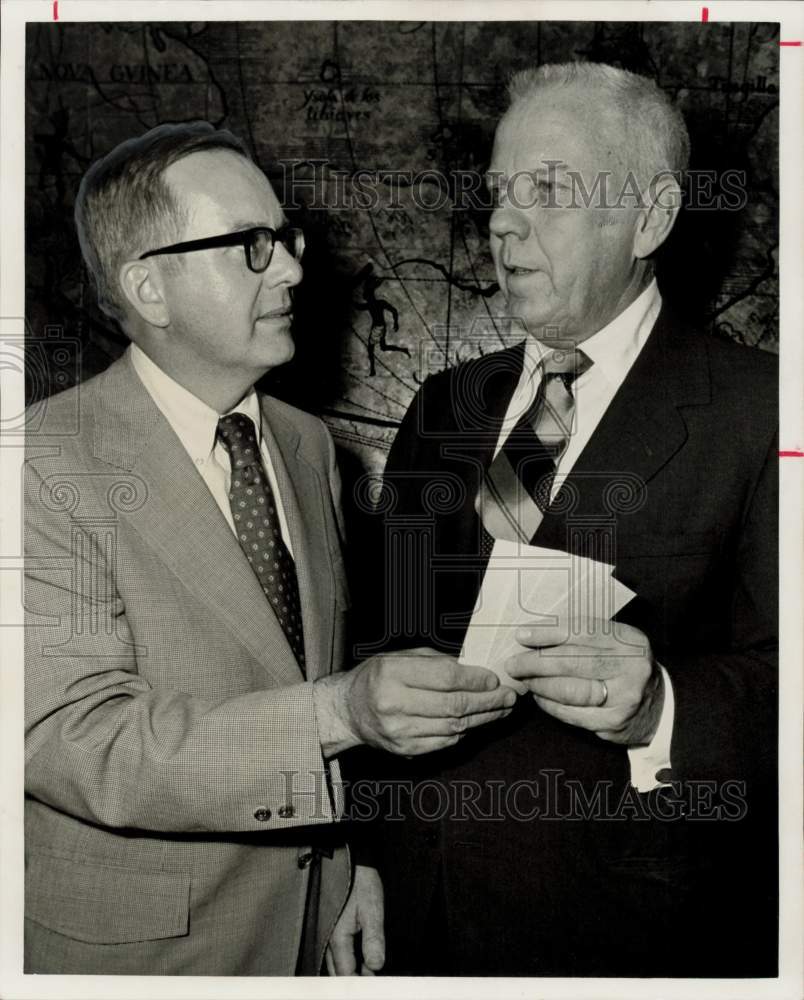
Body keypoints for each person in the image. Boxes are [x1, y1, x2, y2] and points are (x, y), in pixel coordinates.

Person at [23, 122, 517, 976]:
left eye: (283, 238)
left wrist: (349, 859)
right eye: (249, 246)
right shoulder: (39, 463)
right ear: (149, 287)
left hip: (310, 927)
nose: (291, 268)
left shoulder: (304, 444)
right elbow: (75, 739)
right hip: (139, 956)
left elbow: (307, 661)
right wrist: (340, 713)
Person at [352, 62, 778, 977]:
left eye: (546, 189)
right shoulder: (444, 405)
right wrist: (360, 859)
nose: (504, 221)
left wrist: (663, 702)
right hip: (416, 923)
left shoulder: (764, 413)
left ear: (651, 217)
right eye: (501, 193)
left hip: (629, 937)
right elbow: (376, 638)